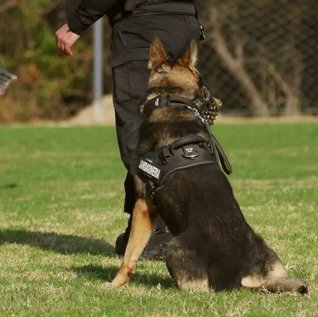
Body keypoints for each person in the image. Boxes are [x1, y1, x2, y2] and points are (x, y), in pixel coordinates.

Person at [55, 0, 205, 259]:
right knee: (179, 127)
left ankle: (157, 230)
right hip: (184, 22)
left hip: (143, 27)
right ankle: (149, 225)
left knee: (139, 135)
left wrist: (76, 24)